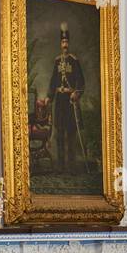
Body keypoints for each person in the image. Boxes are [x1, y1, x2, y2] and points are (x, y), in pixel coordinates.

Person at [47, 22, 85, 173]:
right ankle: (60, 166)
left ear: (69, 44)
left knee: (70, 133)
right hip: (59, 100)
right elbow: (53, 80)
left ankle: (71, 166)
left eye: (67, 42)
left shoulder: (74, 61)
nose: (65, 44)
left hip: (70, 100)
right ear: (60, 43)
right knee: (59, 133)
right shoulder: (57, 61)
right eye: (63, 42)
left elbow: (81, 81)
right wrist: (49, 96)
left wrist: (77, 93)